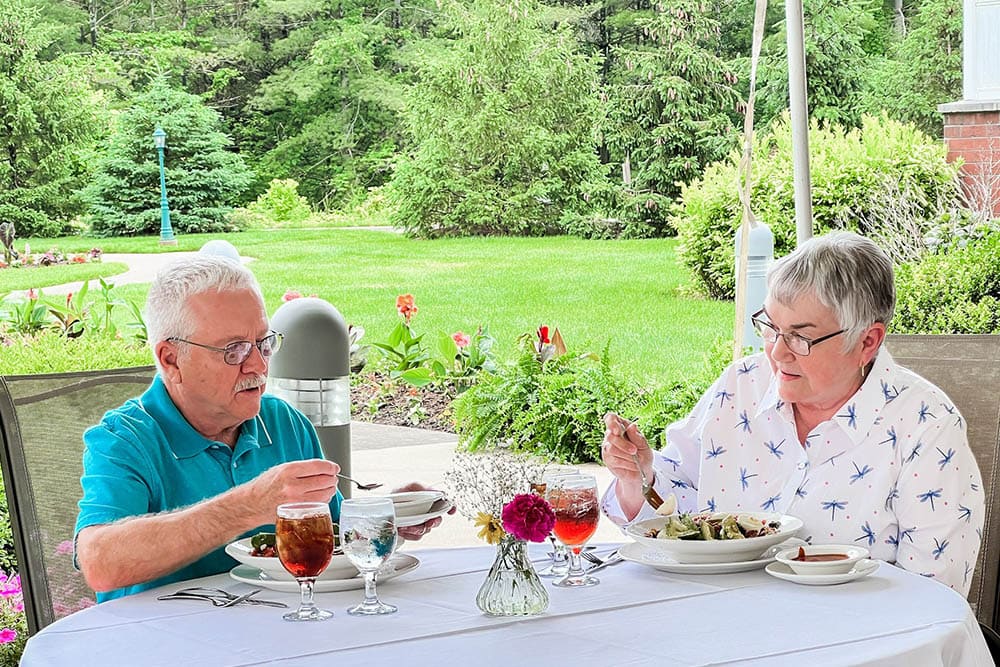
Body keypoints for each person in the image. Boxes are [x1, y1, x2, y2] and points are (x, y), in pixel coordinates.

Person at [601, 231, 984, 594]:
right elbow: (674, 512)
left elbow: (932, 594)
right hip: (715, 622)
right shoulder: (742, 385)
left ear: (867, 341)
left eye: (801, 337)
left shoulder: (926, 426)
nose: (777, 353)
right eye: (770, 327)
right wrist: (637, 477)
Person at [75, 255, 446, 601]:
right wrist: (248, 506)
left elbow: (329, 542)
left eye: (263, 343)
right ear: (171, 359)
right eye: (233, 350)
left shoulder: (284, 423)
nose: (258, 366)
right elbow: (100, 564)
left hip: (279, 634)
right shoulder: (123, 439)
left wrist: (386, 516)